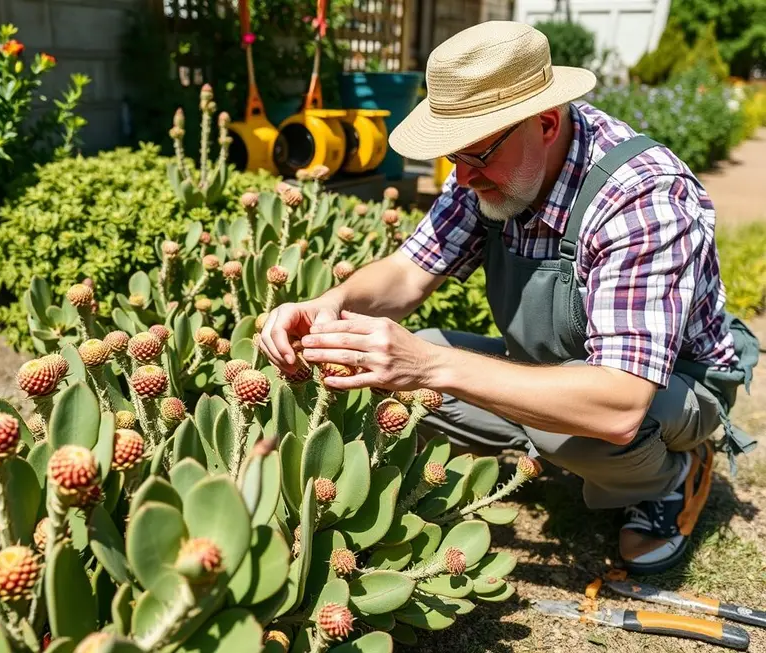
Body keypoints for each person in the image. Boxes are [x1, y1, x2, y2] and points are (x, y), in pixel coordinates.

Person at [257, 20, 759, 575]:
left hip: (672, 385)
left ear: (545, 122)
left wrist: (427, 365)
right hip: (562, 367)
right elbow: (406, 274)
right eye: (453, 159)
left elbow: (620, 403)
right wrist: (330, 305)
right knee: (403, 370)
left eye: (474, 159)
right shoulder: (495, 163)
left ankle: (672, 476)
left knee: (552, 422)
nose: (462, 179)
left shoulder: (640, 199)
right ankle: (537, 432)